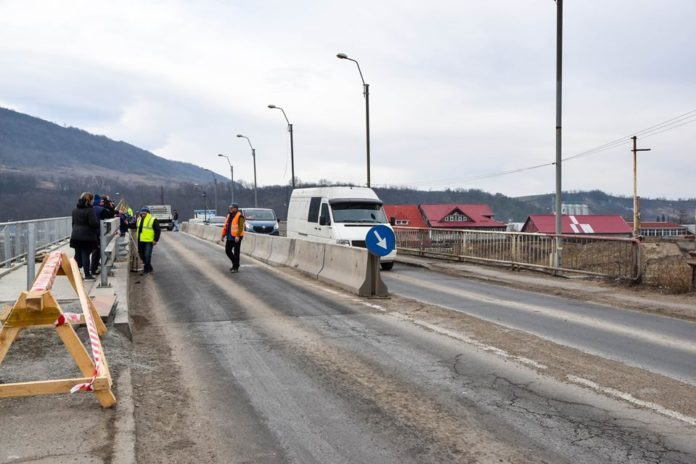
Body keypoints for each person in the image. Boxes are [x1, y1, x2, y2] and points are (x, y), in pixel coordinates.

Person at [69, 192, 99, 280]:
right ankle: (87, 275)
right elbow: (93, 223)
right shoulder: (90, 210)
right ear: (90, 200)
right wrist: (97, 225)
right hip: (87, 237)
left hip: (75, 235)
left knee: (77, 255)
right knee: (86, 255)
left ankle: (74, 272)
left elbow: (73, 223)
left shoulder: (75, 210)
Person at [131, 206, 161, 275]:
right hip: (140, 240)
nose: (143, 214)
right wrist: (127, 224)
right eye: (142, 212)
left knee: (147, 255)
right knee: (141, 255)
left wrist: (155, 240)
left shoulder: (153, 219)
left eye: (145, 212)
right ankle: (149, 268)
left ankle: (146, 269)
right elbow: (135, 226)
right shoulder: (139, 219)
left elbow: (157, 230)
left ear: (148, 213)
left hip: (148, 241)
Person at [220, 203, 245, 272]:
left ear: (236, 209)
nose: (230, 209)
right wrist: (223, 235)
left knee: (236, 252)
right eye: (230, 208)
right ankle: (235, 263)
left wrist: (238, 236)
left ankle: (235, 267)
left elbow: (241, 227)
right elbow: (226, 226)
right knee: (227, 251)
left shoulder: (240, 216)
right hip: (229, 236)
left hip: (237, 237)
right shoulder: (229, 215)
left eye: (232, 208)